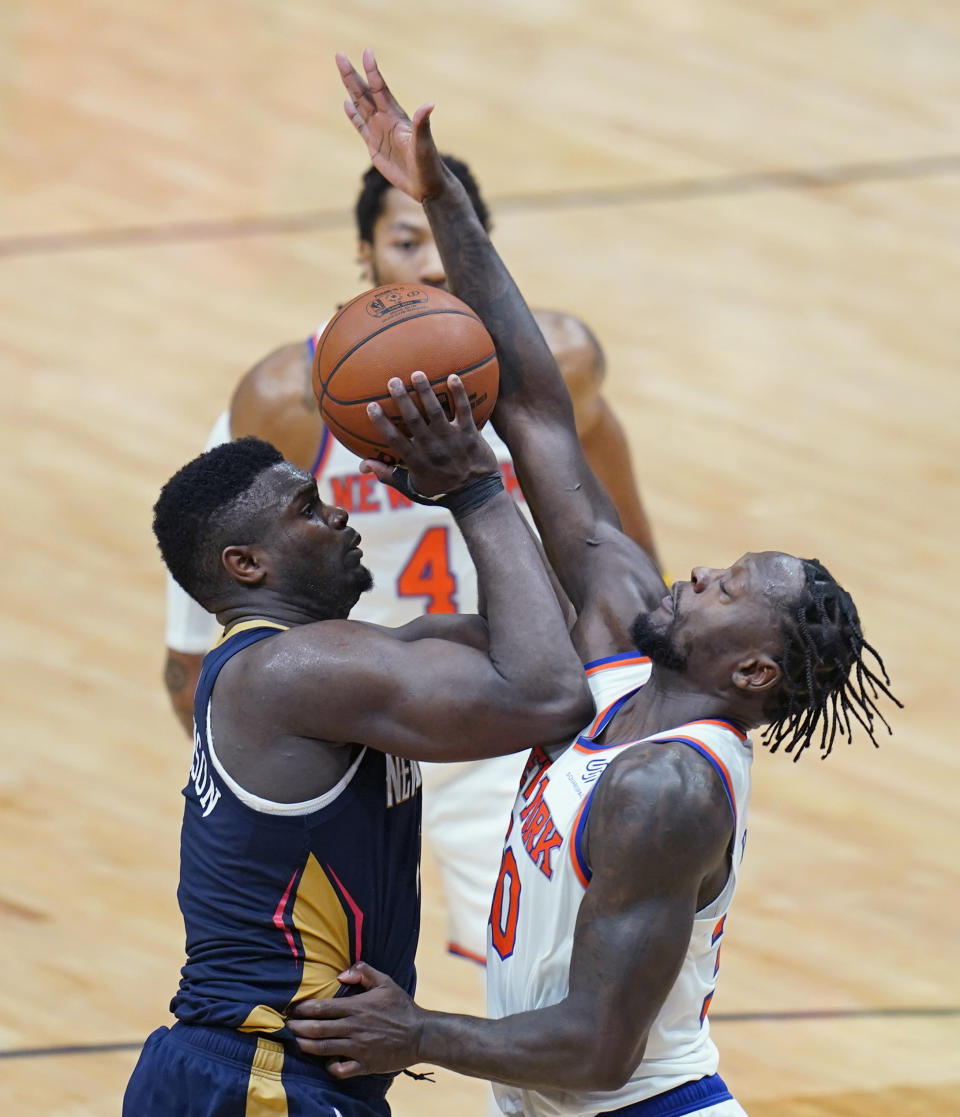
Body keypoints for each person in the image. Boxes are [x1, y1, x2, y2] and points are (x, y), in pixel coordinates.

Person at [286, 50, 901, 1117]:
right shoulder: (621, 631)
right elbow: (532, 406)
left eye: (730, 586)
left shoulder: (669, 789)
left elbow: (602, 1048)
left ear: (751, 665)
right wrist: (441, 198)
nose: (700, 569)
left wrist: (416, 1030)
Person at [163, 151, 662, 974]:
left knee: (544, 976)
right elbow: (195, 651)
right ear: (363, 255)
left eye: (442, 240)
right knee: (341, 986)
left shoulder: (559, 369)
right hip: (341, 711)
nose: (427, 262)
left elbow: (625, 558)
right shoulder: (288, 402)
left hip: (501, 699)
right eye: (402, 242)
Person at [124, 372, 593, 1117]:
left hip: (269, 1077)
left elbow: (557, 646)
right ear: (247, 564)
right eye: (307, 509)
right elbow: (549, 695)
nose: (338, 512)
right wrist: (475, 490)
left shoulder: (327, 663)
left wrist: (472, 489)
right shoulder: (291, 673)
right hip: (262, 1078)